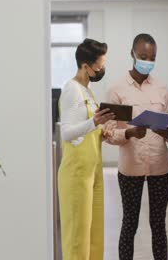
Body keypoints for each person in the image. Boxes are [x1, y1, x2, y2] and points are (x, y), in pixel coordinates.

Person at [103, 33, 168, 260]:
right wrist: (129, 133)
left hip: (160, 166)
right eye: (143, 56)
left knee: (159, 224)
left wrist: (167, 132)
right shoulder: (117, 89)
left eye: (152, 57)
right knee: (129, 222)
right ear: (132, 54)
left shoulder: (162, 88)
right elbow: (108, 132)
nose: (148, 61)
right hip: (130, 167)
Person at [57, 38, 115, 260]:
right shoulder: (72, 90)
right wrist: (94, 124)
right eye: (99, 65)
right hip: (77, 174)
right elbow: (67, 133)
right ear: (85, 66)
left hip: (93, 171)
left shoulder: (88, 91)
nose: (101, 69)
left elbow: (87, 130)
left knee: (93, 233)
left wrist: (102, 132)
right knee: (78, 237)